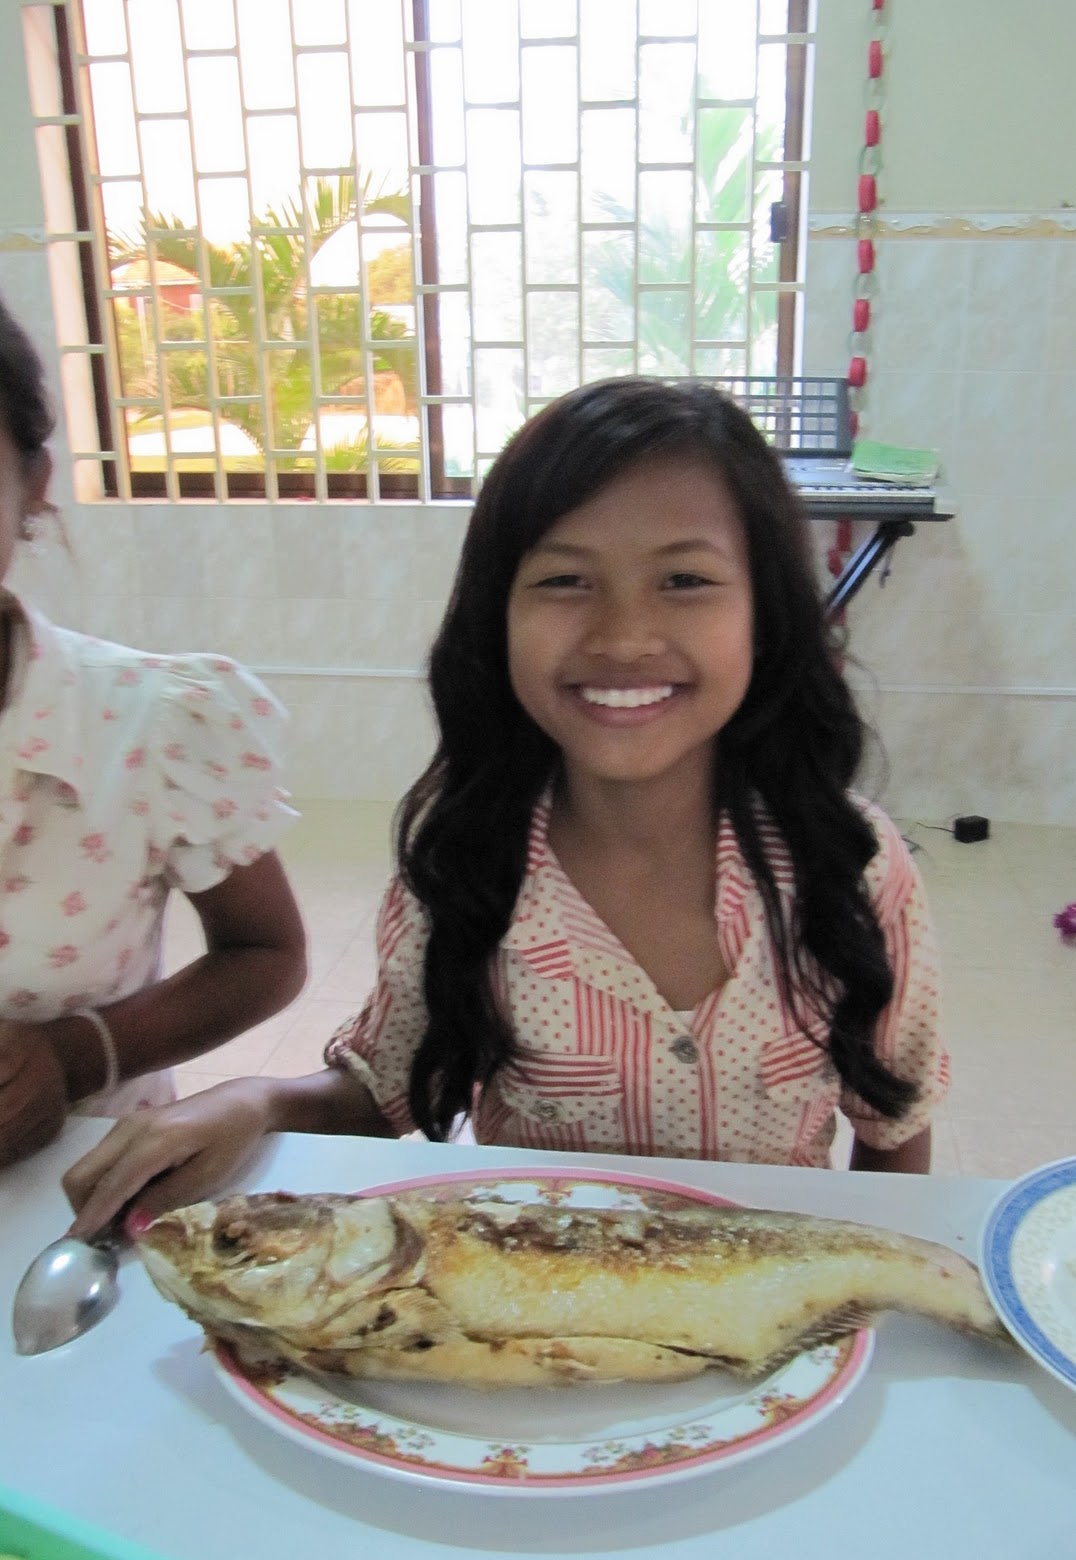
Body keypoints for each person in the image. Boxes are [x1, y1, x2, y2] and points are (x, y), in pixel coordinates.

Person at [65, 376, 949, 1239]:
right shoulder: (467, 865)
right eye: (565, 580)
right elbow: (384, 1091)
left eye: (684, 579)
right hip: (535, 1309)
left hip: (773, 1312)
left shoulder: (852, 867)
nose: (624, 637)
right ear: (497, 616)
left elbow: (895, 1123)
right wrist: (251, 1102)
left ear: (766, 614)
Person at [0, 294, 307, 1178]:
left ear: (32, 487)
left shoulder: (150, 723)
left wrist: (74, 1058)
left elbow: (265, 953)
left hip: (72, 1202)